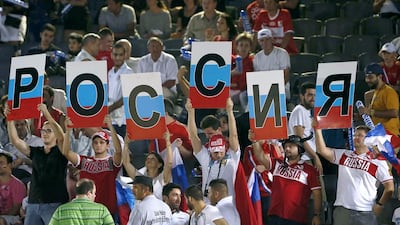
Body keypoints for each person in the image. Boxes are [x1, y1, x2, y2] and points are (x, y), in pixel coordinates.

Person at [314, 123, 394, 225]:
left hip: (365, 212)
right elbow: (322, 150)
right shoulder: (344, 155)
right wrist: (317, 129)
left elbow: (390, 188)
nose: (356, 138)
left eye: (360, 135)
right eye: (355, 135)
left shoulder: (378, 162)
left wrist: (380, 204)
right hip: (342, 210)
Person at [6, 103, 69, 225]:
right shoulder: (36, 151)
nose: (44, 133)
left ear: (55, 134)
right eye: (43, 130)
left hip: (55, 202)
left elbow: (61, 137)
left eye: (49, 131)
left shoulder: (61, 151)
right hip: (34, 203)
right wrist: (10, 119)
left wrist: (46, 114)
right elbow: (15, 141)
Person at [252, 132, 322, 225]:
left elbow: (317, 194)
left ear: (300, 149)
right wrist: (255, 141)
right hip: (274, 215)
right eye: (285, 146)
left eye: (291, 146)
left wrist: (317, 215)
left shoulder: (309, 170)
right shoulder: (277, 163)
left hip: (296, 218)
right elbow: (260, 157)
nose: (287, 148)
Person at [62, 115, 122, 217]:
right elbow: (66, 152)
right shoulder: (85, 161)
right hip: (87, 212)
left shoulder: (112, 162)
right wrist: (67, 130)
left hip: (107, 212)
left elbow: (119, 151)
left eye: (102, 142)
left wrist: (111, 127)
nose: (98, 145)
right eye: (95, 142)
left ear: (107, 145)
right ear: (92, 145)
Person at [185, 97, 240, 198]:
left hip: (228, 202)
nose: (218, 155)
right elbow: (193, 136)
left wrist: (230, 111)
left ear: (219, 129)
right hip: (208, 202)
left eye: (210, 133)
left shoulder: (232, 153)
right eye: (215, 152)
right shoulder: (205, 155)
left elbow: (234, 135)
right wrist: (190, 112)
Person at [123, 132, 173, 200]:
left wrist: (167, 141)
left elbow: (169, 163)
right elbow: (126, 163)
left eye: (152, 159)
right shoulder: (140, 178)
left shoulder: (162, 178)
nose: (149, 160)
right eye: (147, 158)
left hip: (159, 210)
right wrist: (126, 144)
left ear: (159, 164)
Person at [288, 82, 323, 173]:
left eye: (315, 95)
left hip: (309, 157)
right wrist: (315, 157)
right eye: (310, 95)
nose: (313, 98)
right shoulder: (299, 110)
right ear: (302, 96)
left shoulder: (307, 111)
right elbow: (300, 139)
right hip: (304, 159)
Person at [49, 178, 114, 225]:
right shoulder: (102, 210)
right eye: (94, 193)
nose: (95, 196)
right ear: (89, 193)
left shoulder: (61, 210)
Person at [360, 63, 399, 136]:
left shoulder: (389, 91)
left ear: (380, 77)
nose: (368, 80)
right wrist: (359, 116)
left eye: (371, 77)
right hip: (379, 134)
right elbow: (374, 115)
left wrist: (370, 112)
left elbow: (394, 113)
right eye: (366, 77)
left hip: (389, 134)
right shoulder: (376, 92)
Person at [253, 28, 291, 99]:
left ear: (272, 40)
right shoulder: (257, 57)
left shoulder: (282, 53)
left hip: (281, 88)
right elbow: (257, 78)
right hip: (263, 89)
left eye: (267, 39)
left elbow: (286, 75)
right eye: (262, 40)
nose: (265, 42)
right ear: (259, 42)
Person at [108, 42, 133, 137]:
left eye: (120, 55)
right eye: (115, 54)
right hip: (110, 116)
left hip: (122, 119)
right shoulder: (110, 72)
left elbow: (127, 96)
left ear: (125, 55)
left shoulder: (129, 72)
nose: (118, 58)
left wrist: (110, 108)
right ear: (111, 55)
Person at [0, 152, 26, 225]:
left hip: (12, 217)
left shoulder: (18, 185)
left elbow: (16, 209)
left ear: (10, 165)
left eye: (1, 163)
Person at [230, 32, 254, 111]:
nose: (243, 48)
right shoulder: (231, 59)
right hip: (229, 89)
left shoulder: (252, 61)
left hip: (242, 91)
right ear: (237, 47)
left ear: (250, 47)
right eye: (241, 45)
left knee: (243, 96)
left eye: (246, 45)